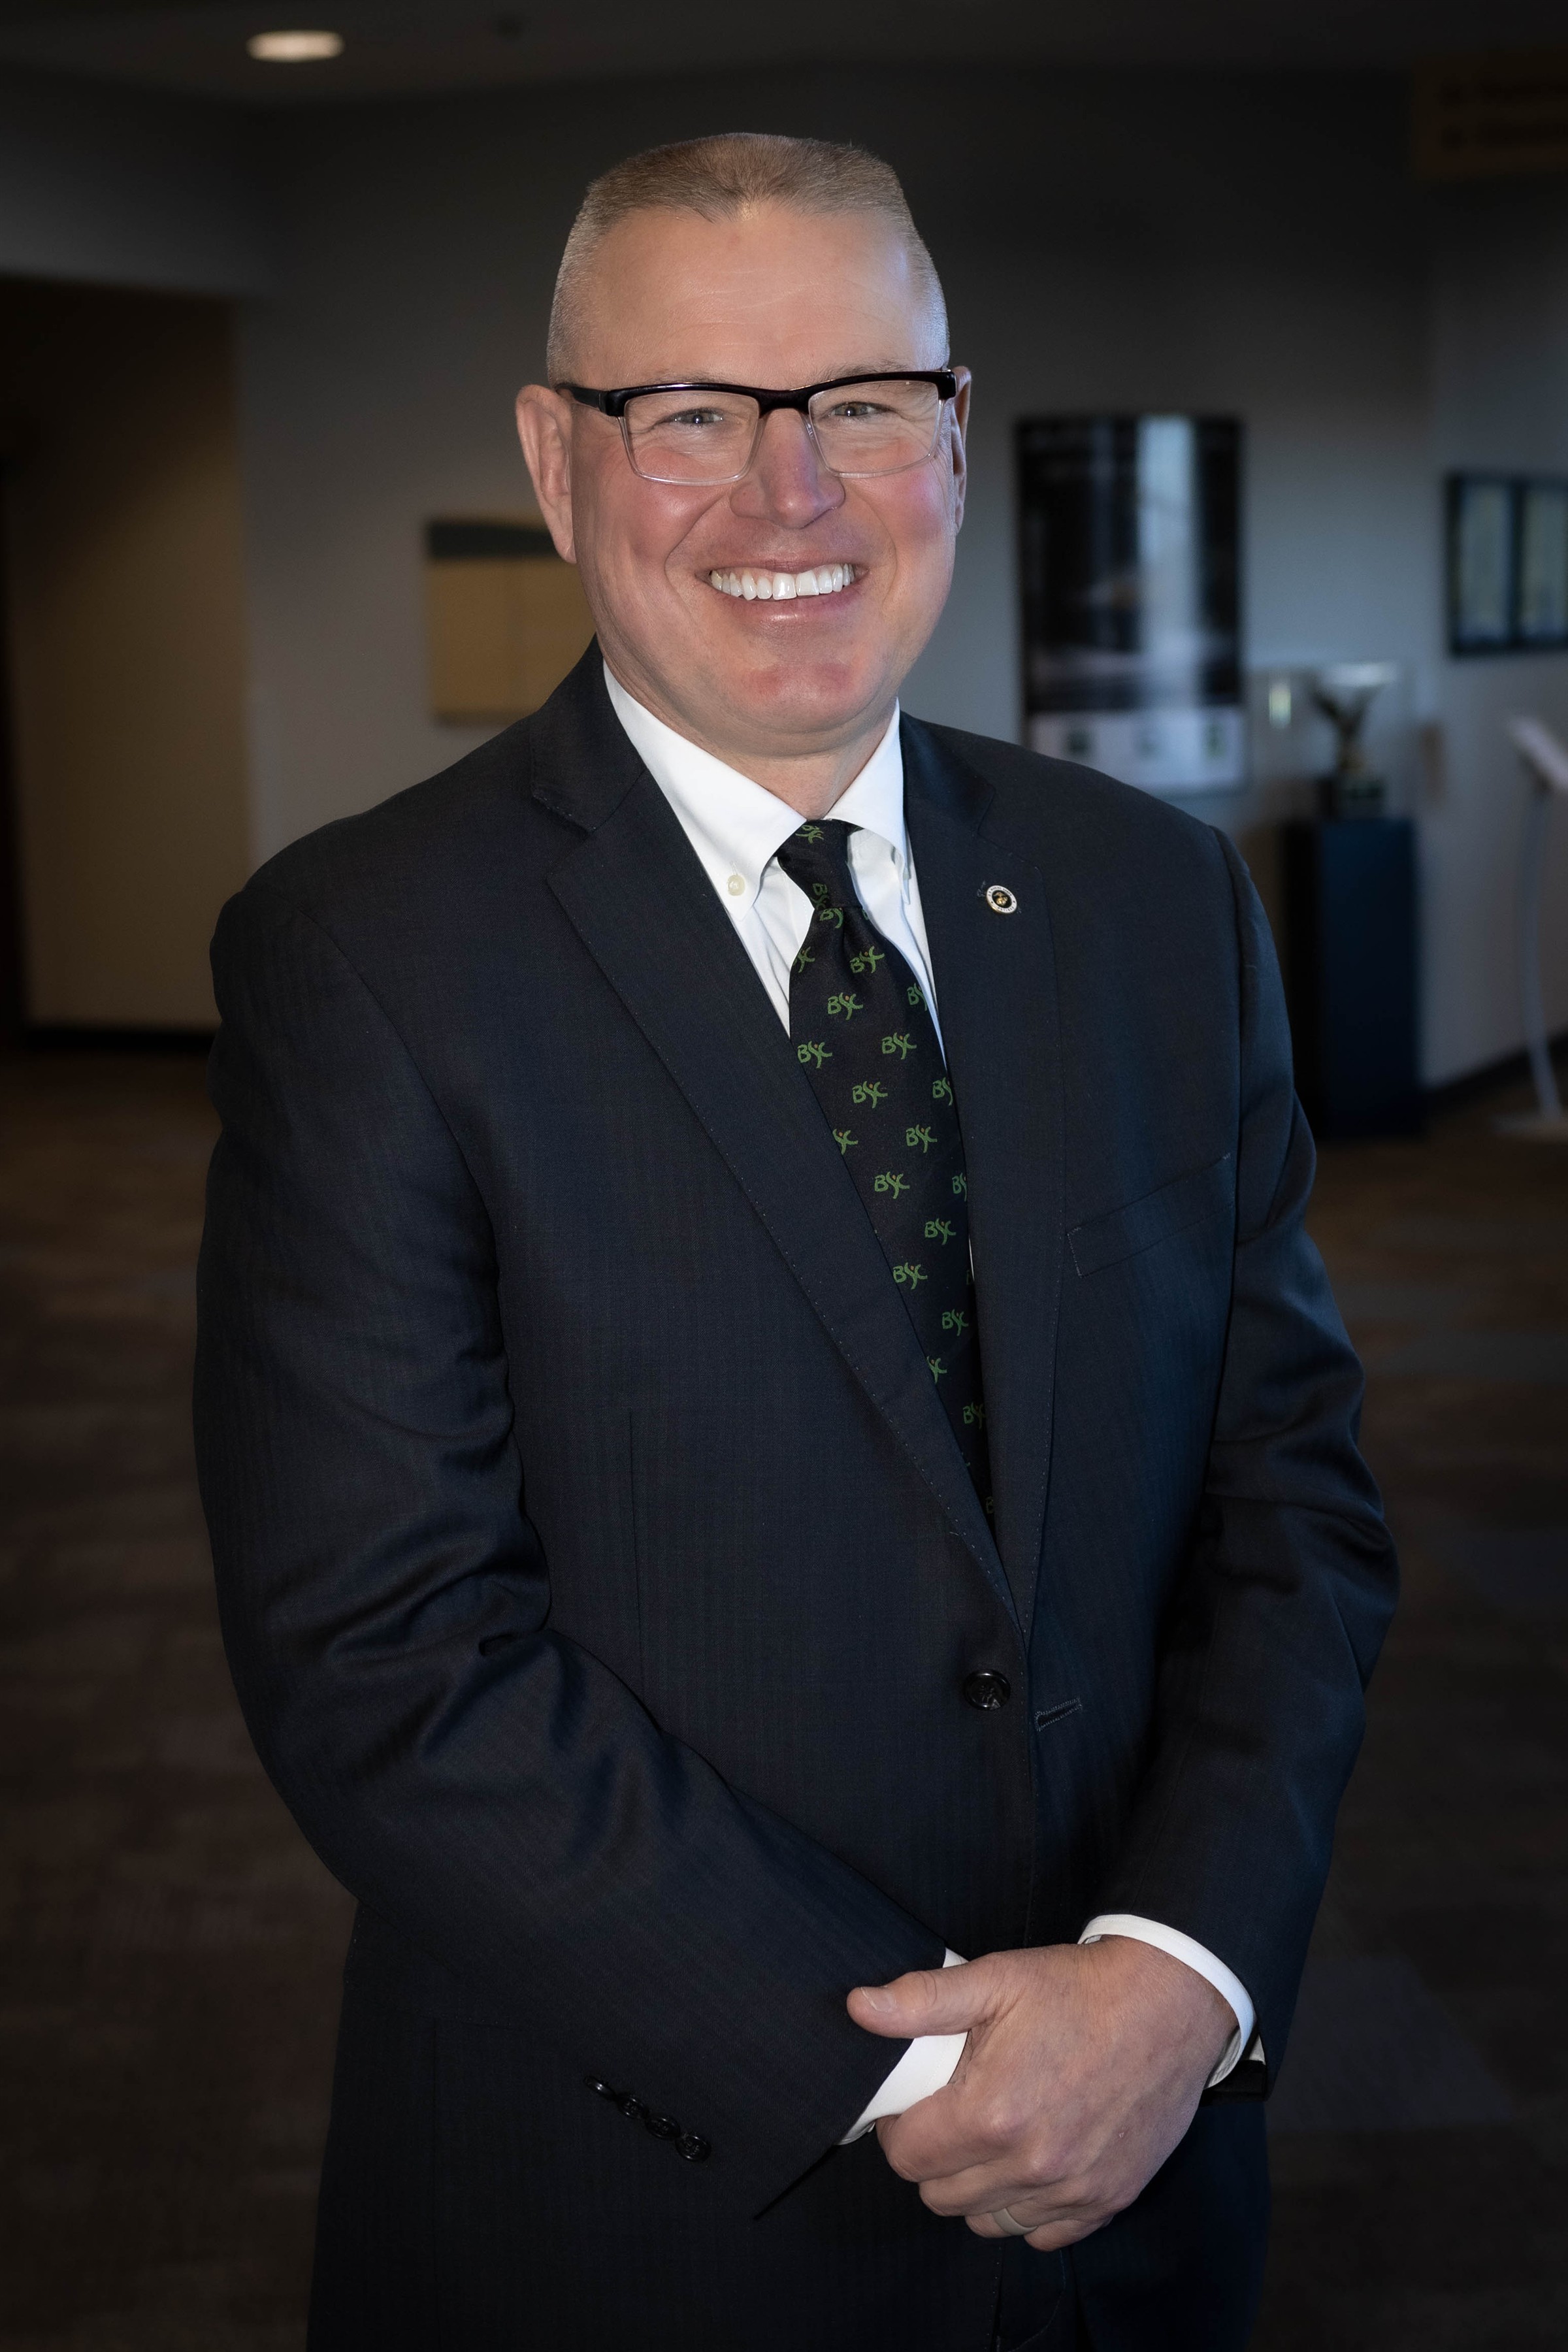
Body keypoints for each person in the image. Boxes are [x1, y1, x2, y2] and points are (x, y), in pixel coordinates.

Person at [194, 133, 1397, 2352]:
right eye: (691, 416)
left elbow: (1292, 1504)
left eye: (858, 405)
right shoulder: (367, 959)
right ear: (559, 465)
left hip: (1140, 2186)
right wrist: (944, 2074)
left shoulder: (1155, 902)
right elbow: (387, 1653)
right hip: (632, 2197)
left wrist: (1175, 1983)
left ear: (951, 434)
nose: (789, 498)